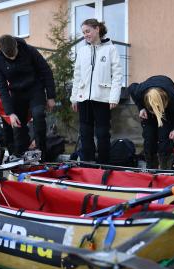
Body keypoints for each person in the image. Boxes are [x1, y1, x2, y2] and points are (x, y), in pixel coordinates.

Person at [0, 34, 56, 161]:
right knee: (17, 123)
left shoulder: (29, 50)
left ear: (16, 45)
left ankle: (42, 154)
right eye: (9, 56)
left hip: (35, 88)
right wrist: (10, 113)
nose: (13, 57)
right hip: (17, 93)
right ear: (1, 51)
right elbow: (2, 87)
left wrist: (51, 96)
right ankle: (21, 154)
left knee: (38, 115)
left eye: (14, 53)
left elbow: (46, 71)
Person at [70, 19, 123, 164]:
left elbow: (117, 75)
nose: (85, 35)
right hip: (83, 99)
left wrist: (114, 97)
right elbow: (77, 75)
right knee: (85, 134)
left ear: (97, 29)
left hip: (103, 98)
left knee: (102, 133)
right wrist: (74, 98)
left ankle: (104, 165)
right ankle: (88, 164)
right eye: (83, 32)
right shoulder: (82, 51)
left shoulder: (110, 49)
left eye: (87, 31)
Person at [128, 75, 174, 169]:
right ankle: (151, 169)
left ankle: (166, 170)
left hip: (166, 112)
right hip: (148, 112)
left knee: (165, 141)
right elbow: (131, 87)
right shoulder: (139, 91)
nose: (154, 111)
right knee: (149, 139)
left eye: (155, 109)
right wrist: (141, 108)